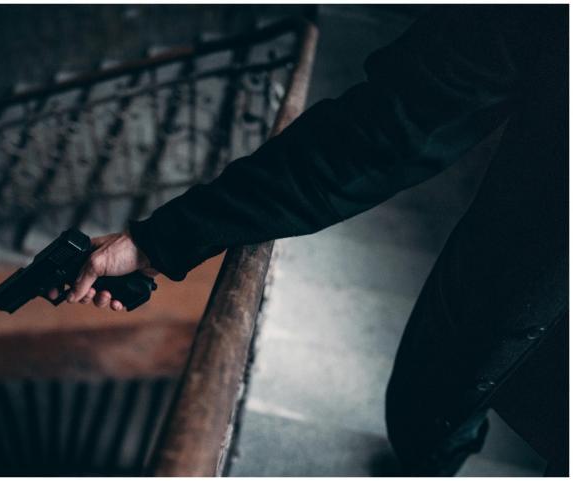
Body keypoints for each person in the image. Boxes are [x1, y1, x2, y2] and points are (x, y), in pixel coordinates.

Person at [57, 5, 568, 475]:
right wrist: (160, 241)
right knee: (433, 422)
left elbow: (386, 135)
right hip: (507, 321)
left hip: (507, 315)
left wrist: (161, 239)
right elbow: (388, 132)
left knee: (432, 415)